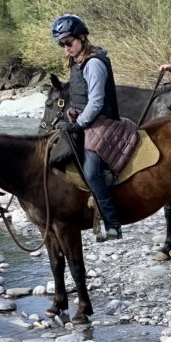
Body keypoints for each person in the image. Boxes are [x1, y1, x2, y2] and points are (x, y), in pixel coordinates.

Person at [51, 13, 124, 240]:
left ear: (82, 38)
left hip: (103, 122)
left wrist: (79, 122)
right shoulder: (77, 62)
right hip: (86, 118)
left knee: (91, 172)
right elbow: (80, 97)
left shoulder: (94, 63)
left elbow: (97, 102)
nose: (66, 48)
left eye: (69, 42)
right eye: (62, 44)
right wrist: (73, 112)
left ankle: (113, 224)